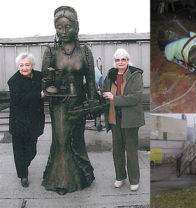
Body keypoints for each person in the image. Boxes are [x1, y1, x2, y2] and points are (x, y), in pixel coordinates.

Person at [41, 6, 96, 195]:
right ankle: (62, 181)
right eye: (59, 27)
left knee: (77, 139)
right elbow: (44, 81)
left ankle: (83, 176)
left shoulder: (84, 51)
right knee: (62, 139)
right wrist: (50, 91)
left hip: (78, 103)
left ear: (76, 27)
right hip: (58, 105)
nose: (63, 32)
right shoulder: (50, 50)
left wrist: (92, 103)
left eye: (68, 27)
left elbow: (90, 81)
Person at [102, 48, 145, 191]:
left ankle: (134, 180)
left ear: (128, 60)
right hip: (115, 117)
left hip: (131, 118)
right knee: (117, 150)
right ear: (115, 62)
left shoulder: (135, 75)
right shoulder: (111, 74)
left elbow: (136, 97)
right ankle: (120, 177)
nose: (120, 62)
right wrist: (102, 94)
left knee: (131, 150)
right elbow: (104, 90)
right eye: (117, 60)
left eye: (123, 59)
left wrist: (114, 98)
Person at [7, 53, 45, 187]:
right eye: (21, 65)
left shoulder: (40, 76)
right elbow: (19, 99)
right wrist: (39, 95)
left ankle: (24, 163)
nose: (24, 68)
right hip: (19, 121)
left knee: (31, 150)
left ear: (32, 65)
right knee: (19, 150)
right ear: (18, 67)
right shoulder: (14, 81)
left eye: (27, 65)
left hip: (34, 121)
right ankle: (23, 175)